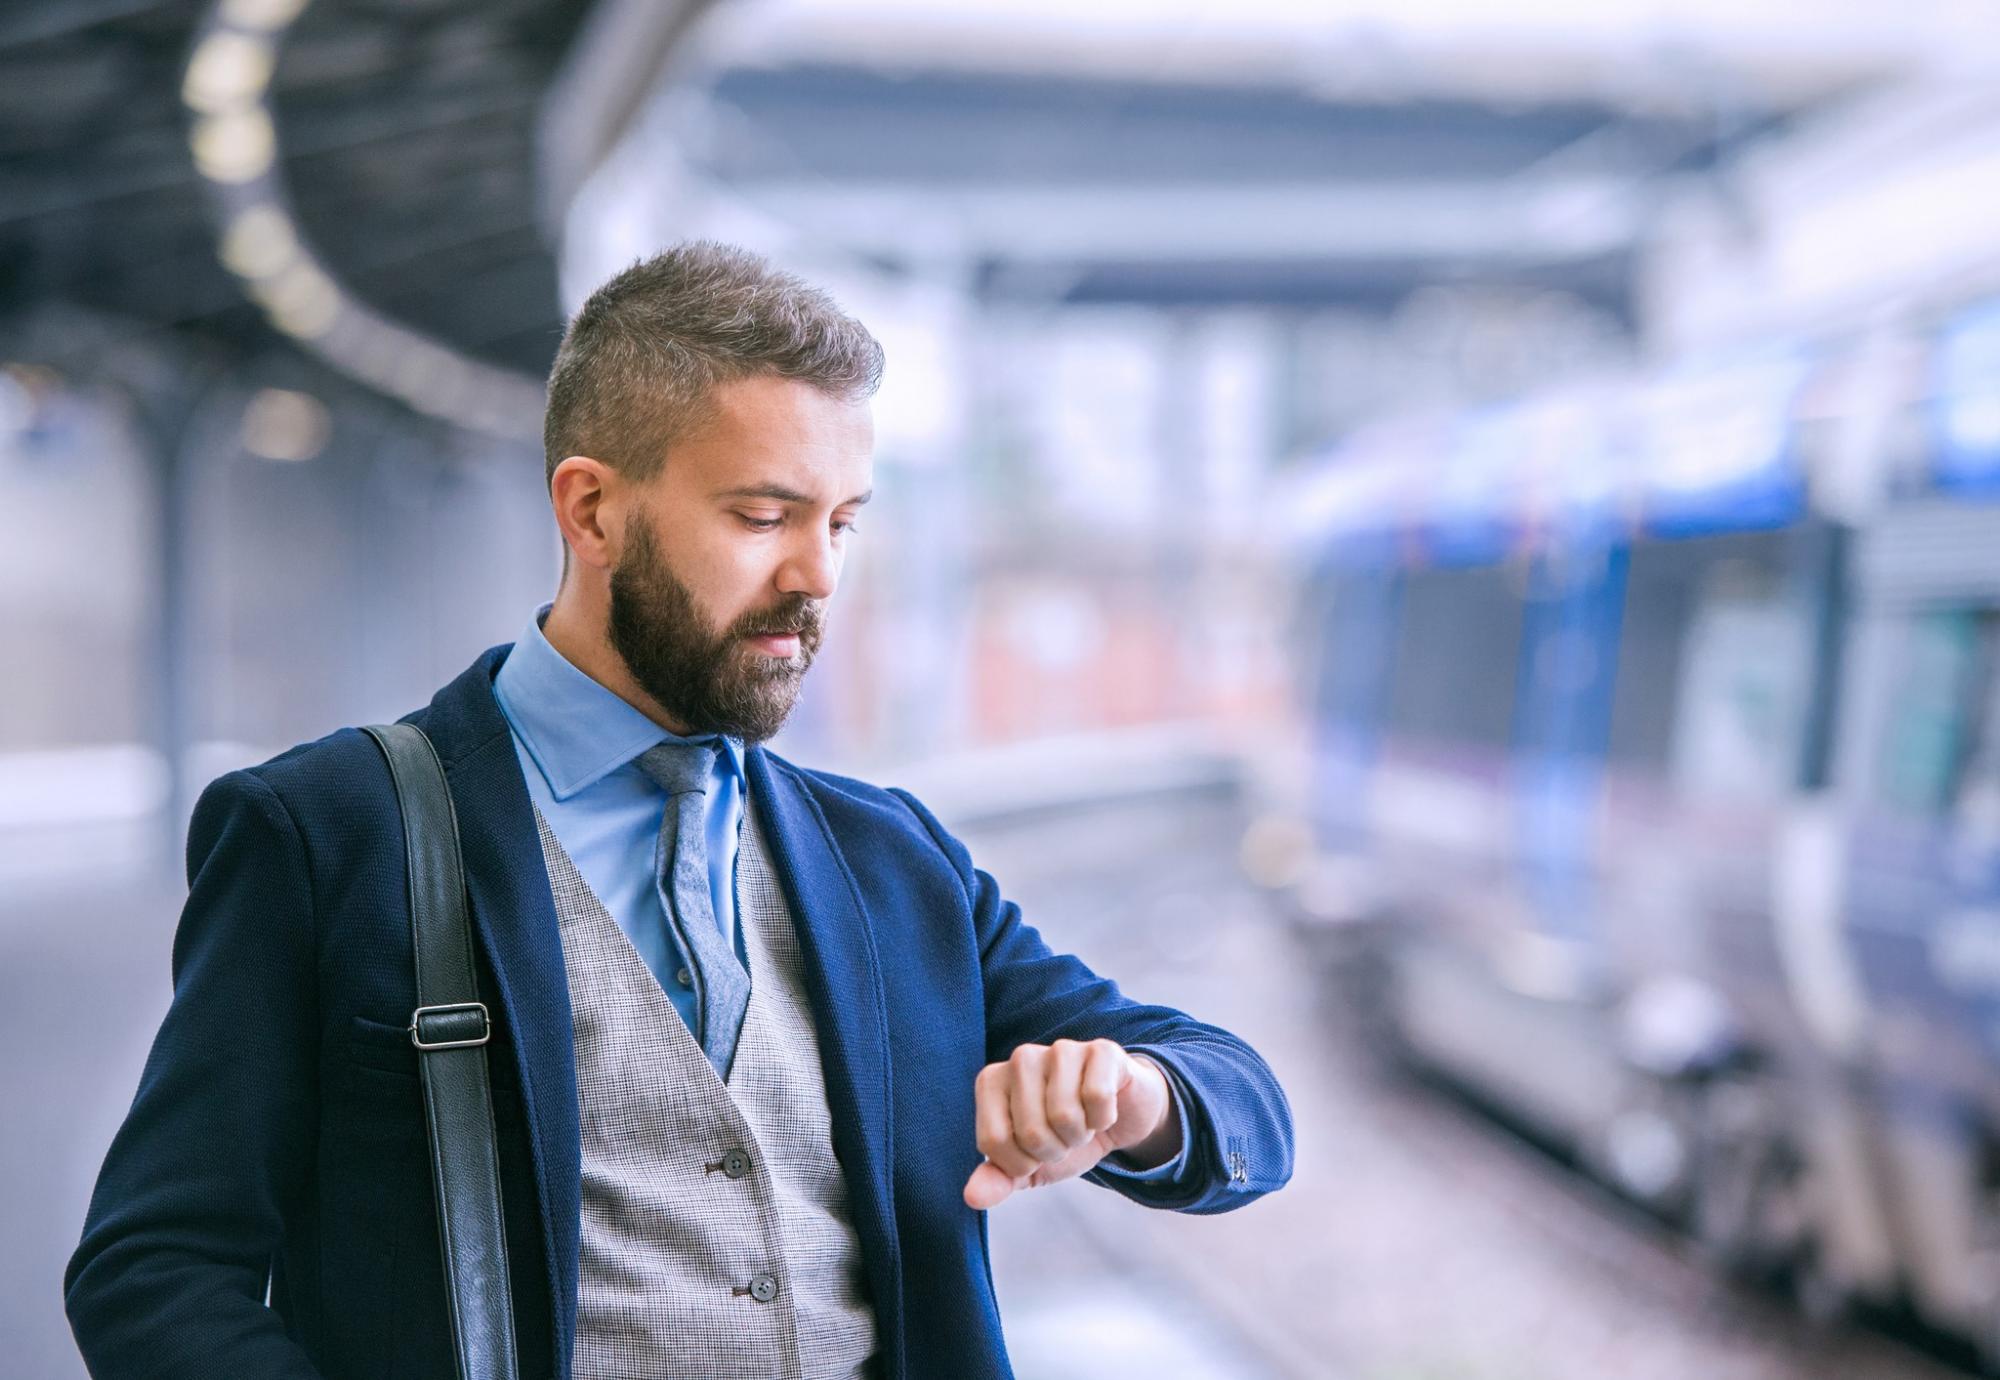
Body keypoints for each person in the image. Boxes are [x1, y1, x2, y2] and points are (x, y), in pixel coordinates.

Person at [63, 241, 1294, 1380]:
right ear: (591, 509)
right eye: (761, 517)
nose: (815, 575)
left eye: (842, 523)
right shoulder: (326, 834)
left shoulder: (890, 859)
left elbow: (1239, 1103)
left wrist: (1131, 1096)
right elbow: (156, 1268)